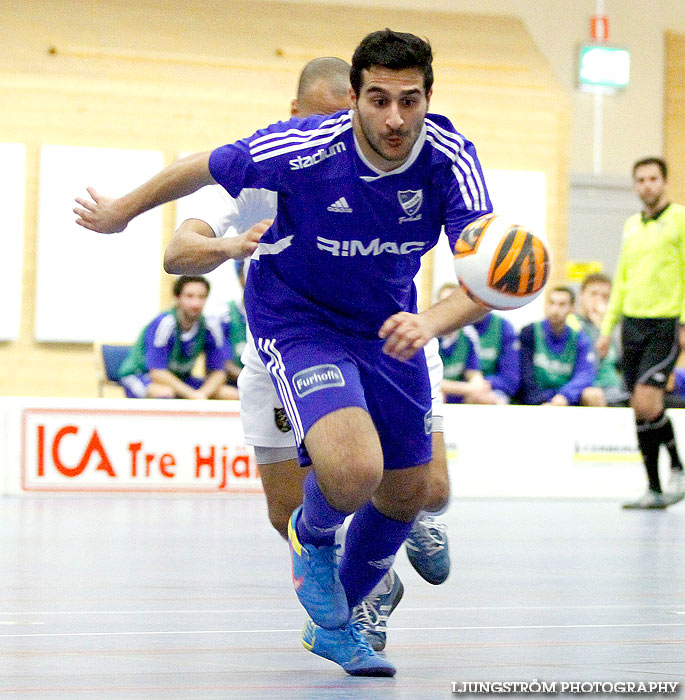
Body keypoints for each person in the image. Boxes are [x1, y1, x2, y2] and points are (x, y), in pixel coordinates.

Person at [74, 29, 492, 676]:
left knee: (413, 491)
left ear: (427, 99)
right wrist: (130, 214)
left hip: (390, 326)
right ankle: (318, 539)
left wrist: (435, 320)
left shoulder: (448, 156)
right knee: (346, 476)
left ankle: (341, 621)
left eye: (408, 101)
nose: (392, 118)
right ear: (346, 102)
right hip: (296, 326)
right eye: (375, 100)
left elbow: (487, 280)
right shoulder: (282, 156)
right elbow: (190, 207)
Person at [165, 57, 454, 651]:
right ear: (293, 116)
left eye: (348, 119)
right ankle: (372, 591)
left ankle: (405, 529)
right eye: (326, 120)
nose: (342, 139)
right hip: (287, 351)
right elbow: (177, 251)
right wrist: (226, 246)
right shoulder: (266, 171)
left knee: (429, 488)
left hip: (386, 339)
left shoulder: (400, 159)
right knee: (289, 514)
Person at [597, 157, 685, 509]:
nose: (646, 185)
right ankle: (654, 488)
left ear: (664, 182)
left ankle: (678, 467)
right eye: (640, 180)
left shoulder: (679, 219)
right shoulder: (632, 225)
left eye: (653, 179)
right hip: (631, 324)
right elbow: (621, 279)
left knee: (648, 402)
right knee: (639, 409)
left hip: (664, 323)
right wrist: (607, 329)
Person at [118, 275, 235, 400]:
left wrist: (203, 394)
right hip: (140, 375)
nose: (195, 303)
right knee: (165, 393)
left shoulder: (209, 326)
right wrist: (192, 395)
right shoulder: (165, 323)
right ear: (177, 298)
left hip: (179, 379)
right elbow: (157, 373)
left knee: (230, 394)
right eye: (189, 296)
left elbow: (219, 373)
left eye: (201, 297)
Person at [519, 286, 596, 406]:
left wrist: (564, 396)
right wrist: (541, 401)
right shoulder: (530, 332)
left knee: (593, 394)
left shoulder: (580, 338)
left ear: (572, 309)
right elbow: (525, 374)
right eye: (552, 303)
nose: (555, 309)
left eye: (562, 304)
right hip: (536, 400)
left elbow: (585, 375)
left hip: (565, 401)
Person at [570, 272, 628, 407]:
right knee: (593, 395)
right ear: (581, 296)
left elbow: (620, 363)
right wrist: (599, 329)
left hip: (615, 389)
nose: (599, 300)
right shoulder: (573, 323)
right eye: (594, 294)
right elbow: (593, 363)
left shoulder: (608, 326)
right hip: (590, 388)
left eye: (605, 296)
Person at [435, 283, 497, 404]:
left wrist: (478, 387)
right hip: (437, 394)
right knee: (439, 395)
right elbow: (429, 382)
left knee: (488, 398)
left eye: (453, 305)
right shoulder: (430, 337)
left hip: (459, 396)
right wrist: (467, 388)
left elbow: (474, 375)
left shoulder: (468, 334)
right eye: (444, 304)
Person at [472, 312, 520, 404]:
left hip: (492, 390)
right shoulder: (457, 328)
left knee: (495, 399)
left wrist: (484, 384)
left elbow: (511, 381)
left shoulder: (504, 327)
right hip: (460, 389)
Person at [220, 260, 248, 387]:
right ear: (239, 277)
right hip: (234, 383)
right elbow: (223, 363)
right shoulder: (226, 316)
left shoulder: (278, 314)